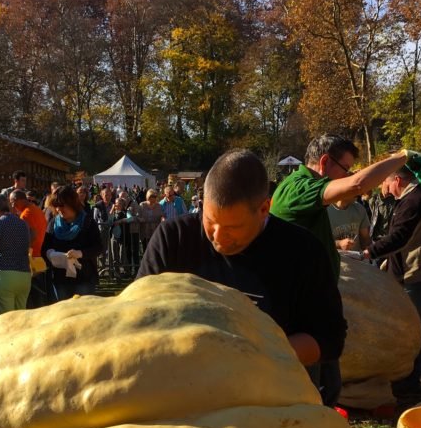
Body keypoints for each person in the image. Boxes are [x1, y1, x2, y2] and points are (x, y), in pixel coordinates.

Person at [137, 149, 345, 379]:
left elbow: (330, 338)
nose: (218, 236)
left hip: (271, 393)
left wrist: (257, 354)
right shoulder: (173, 238)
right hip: (183, 386)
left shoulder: (304, 251)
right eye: (210, 221)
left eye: (232, 228)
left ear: (264, 209)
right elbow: (138, 314)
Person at [271, 135, 418, 404]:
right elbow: (358, 183)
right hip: (300, 310)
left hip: (316, 305)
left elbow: (349, 190)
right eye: (346, 168)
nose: (348, 174)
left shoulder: (307, 189)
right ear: (325, 162)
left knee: (329, 386)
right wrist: (402, 158)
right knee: (310, 390)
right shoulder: (298, 188)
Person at [361, 166, 421, 397]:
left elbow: (399, 237)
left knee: (412, 329)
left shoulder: (413, 201)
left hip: (418, 274)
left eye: (386, 181)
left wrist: (369, 252)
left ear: (397, 180)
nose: (384, 187)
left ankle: (409, 384)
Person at [42, 184, 103, 300]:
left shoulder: (88, 222)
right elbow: (46, 246)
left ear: (72, 203)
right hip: (60, 279)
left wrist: (80, 253)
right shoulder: (53, 222)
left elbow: (98, 247)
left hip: (84, 278)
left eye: (62, 205)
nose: (59, 209)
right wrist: (50, 253)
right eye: (56, 206)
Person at [0, 192, 32, 314]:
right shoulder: (23, 223)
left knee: (8, 322)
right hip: (25, 276)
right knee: (21, 321)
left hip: (5, 277)